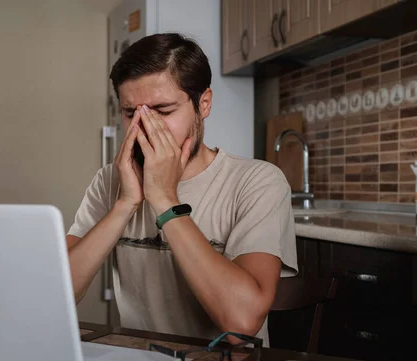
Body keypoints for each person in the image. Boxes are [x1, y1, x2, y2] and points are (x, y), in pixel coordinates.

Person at [67, 33, 297, 345]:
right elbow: (56, 294)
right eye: (131, 113)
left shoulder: (258, 182)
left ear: (204, 104)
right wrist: (125, 204)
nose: (145, 128)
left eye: (162, 111)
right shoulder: (110, 181)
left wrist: (164, 200)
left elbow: (242, 325)